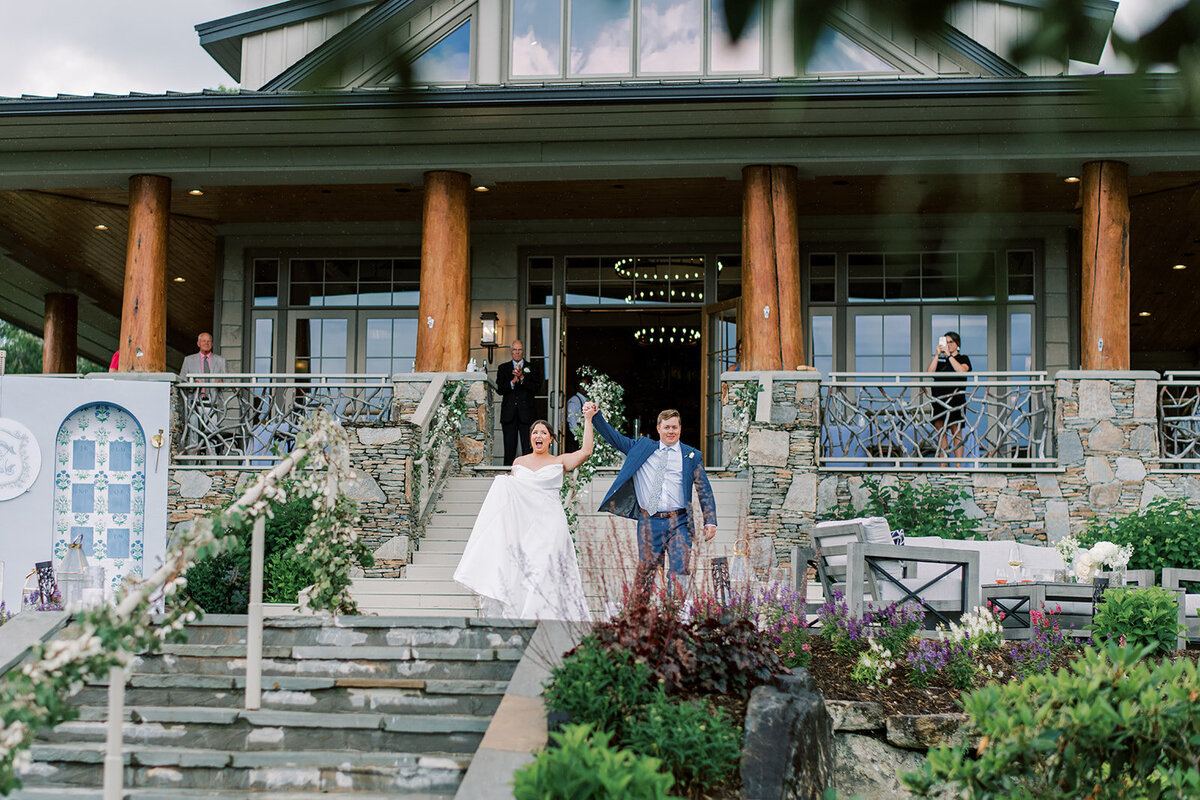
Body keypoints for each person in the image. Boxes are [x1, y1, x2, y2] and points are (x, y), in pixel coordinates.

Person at [454, 405, 597, 621]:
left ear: (550, 439)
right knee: (524, 571)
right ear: (530, 439)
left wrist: (588, 419)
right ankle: (523, 618)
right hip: (524, 527)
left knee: (546, 569)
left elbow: (586, 451)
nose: (538, 435)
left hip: (550, 525)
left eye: (543, 432)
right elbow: (513, 498)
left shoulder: (560, 461)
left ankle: (549, 619)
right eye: (534, 432)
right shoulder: (519, 463)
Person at [592, 407, 717, 599]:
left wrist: (710, 520)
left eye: (674, 427)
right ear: (659, 428)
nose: (671, 431)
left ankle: (673, 615)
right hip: (649, 521)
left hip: (680, 522)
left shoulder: (691, 455)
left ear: (680, 429)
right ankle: (642, 620)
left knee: (679, 571)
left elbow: (704, 488)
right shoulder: (642, 448)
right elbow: (614, 438)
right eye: (667, 427)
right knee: (647, 575)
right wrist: (596, 416)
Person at [926, 331, 972, 461]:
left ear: (957, 344)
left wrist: (949, 356)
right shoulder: (940, 360)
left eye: (950, 342)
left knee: (956, 432)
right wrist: (937, 355)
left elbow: (962, 371)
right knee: (941, 434)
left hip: (956, 401)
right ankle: (943, 465)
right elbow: (929, 374)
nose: (948, 345)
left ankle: (958, 466)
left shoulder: (963, 358)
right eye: (945, 342)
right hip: (939, 401)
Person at [495, 340, 539, 466]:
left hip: (527, 414)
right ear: (511, 351)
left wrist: (523, 379)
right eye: (515, 349)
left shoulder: (532, 367)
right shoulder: (503, 368)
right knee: (509, 449)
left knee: (528, 448)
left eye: (519, 349)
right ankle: (508, 476)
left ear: (523, 351)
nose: (517, 352)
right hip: (509, 414)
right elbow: (499, 389)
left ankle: (529, 474)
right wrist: (513, 382)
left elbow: (537, 388)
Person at [564, 377, 590, 450]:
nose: (586, 388)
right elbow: (571, 419)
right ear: (579, 387)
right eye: (583, 385)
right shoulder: (574, 401)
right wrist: (577, 435)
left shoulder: (585, 400)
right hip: (576, 436)